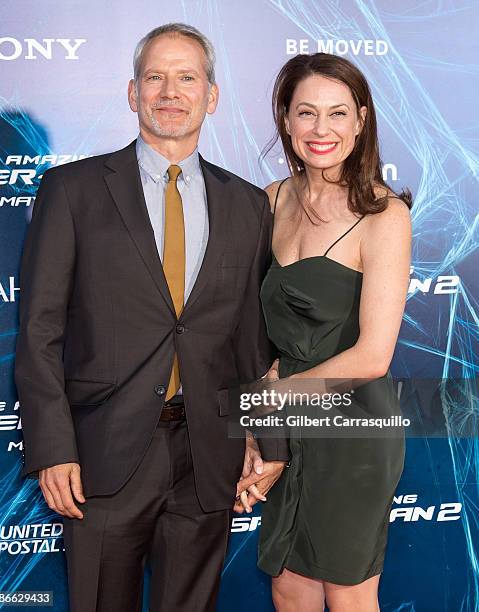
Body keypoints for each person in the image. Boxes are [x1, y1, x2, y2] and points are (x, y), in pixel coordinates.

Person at [14, 23, 288, 612]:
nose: (170, 91)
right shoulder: (72, 190)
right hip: (99, 456)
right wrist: (52, 446)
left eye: (187, 77)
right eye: (155, 77)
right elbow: (39, 332)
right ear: (132, 91)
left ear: (210, 96)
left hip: (207, 457)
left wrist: (265, 438)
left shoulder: (246, 204)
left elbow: (249, 340)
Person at [237, 53, 412, 611]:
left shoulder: (385, 214)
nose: (322, 130)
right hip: (287, 427)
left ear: (361, 120)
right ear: (285, 120)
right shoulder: (271, 199)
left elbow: (373, 356)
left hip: (353, 430)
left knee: (349, 595)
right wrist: (258, 430)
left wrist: (269, 401)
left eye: (338, 114)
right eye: (306, 112)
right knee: (289, 590)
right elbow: (253, 333)